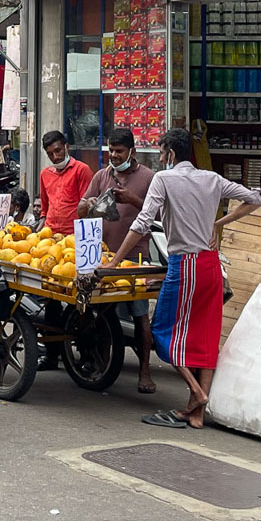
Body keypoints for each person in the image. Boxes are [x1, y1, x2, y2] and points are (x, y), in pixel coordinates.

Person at [102, 127, 261, 430]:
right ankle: (196, 414)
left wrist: (114, 261)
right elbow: (255, 199)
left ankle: (198, 394)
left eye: (161, 152)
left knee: (162, 330)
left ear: (171, 154)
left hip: (185, 265)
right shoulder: (212, 179)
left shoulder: (165, 179)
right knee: (205, 336)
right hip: (211, 265)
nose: (161, 158)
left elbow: (142, 222)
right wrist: (218, 223)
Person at [78, 127, 157, 394]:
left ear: (131, 151)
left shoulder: (148, 177)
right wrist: (87, 205)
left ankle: (145, 370)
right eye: (110, 150)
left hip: (135, 258)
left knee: (140, 315)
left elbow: (156, 214)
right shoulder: (102, 176)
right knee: (100, 312)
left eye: (119, 151)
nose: (113, 155)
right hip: (103, 255)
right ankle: (101, 363)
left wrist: (132, 199)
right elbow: (81, 207)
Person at [37, 130, 92, 237]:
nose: (55, 157)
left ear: (66, 147)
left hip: (73, 234)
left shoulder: (81, 170)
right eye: (50, 154)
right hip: (50, 233)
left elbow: (87, 208)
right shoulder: (44, 174)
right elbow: (45, 209)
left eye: (58, 151)